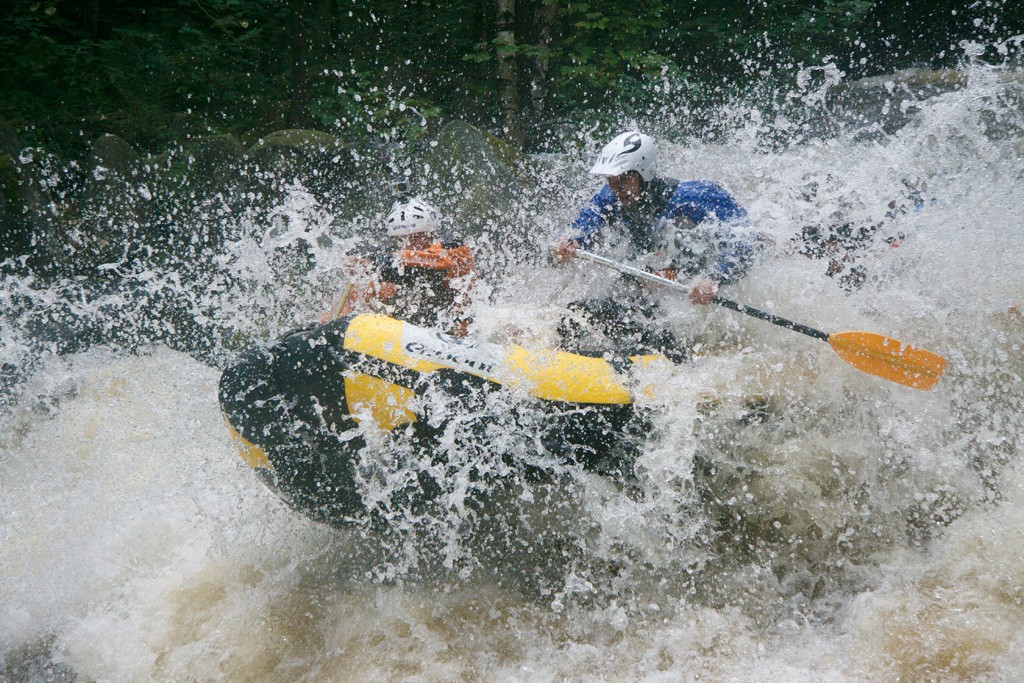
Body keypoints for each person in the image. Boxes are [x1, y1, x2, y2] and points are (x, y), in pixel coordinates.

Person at [550, 131, 761, 360]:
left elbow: (746, 242)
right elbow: (583, 226)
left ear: (644, 173)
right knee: (574, 317)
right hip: (653, 291)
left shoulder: (695, 197)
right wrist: (568, 243)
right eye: (611, 181)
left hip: (693, 294)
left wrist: (713, 278)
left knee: (659, 333)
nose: (618, 189)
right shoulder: (610, 198)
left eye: (624, 180)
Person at [322, 197, 476, 336]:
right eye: (402, 239)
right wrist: (325, 327)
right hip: (413, 342)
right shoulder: (391, 269)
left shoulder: (456, 251)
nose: (409, 244)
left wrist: (374, 263)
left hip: (458, 337)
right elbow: (354, 300)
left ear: (432, 233)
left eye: (417, 237)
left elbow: (421, 264)